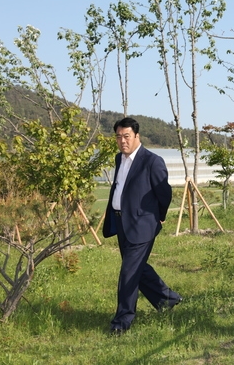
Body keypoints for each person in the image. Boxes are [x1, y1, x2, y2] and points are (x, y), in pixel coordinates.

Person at [102, 117, 181, 335]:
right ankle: (168, 299)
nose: (122, 141)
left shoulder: (152, 161)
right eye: (118, 136)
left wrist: (160, 216)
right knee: (138, 268)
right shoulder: (120, 159)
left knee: (128, 273)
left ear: (137, 136)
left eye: (126, 136)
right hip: (121, 221)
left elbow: (164, 193)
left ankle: (122, 321)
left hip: (143, 224)